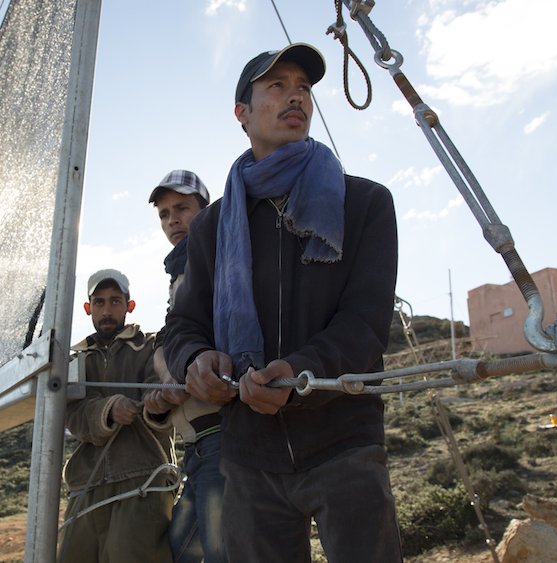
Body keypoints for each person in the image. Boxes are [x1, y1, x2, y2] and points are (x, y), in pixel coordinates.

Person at [162, 43, 403, 562]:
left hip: (346, 441)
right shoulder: (210, 227)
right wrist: (195, 362)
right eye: (277, 85)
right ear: (242, 114)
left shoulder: (364, 203)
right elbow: (182, 324)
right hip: (248, 456)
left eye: (304, 88)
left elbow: (365, 323)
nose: (296, 96)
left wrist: (298, 373)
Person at [59, 269, 177, 563]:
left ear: (130, 305)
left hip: (141, 481)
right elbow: (72, 416)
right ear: (88, 309)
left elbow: (158, 390)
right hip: (84, 486)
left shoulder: (151, 347)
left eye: (115, 301)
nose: (107, 310)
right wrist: (109, 409)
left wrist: (157, 403)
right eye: (99, 303)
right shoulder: (76, 361)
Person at [143, 171, 227, 563]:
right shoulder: (179, 272)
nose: (172, 220)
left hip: (222, 435)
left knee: (221, 552)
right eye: (163, 214)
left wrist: (175, 369)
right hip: (195, 445)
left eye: (181, 208)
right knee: (181, 552)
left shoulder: (216, 261)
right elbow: (170, 348)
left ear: (205, 210)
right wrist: (165, 386)